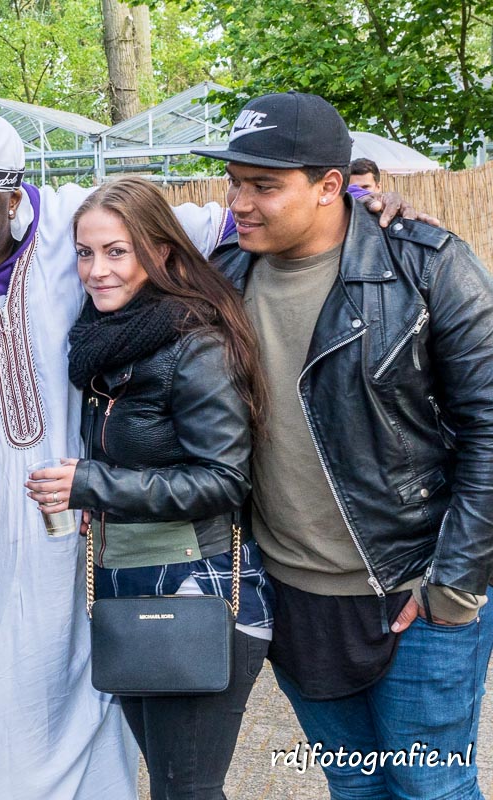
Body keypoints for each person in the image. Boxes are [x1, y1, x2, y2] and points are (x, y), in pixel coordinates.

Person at [0, 108, 432, 799]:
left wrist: (358, 199)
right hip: (65, 570)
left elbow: (255, 218)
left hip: (179, 586)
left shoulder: (176, 330)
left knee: (182, 782)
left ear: (15, 200)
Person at [193, 91, 493, 799]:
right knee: (354, 787)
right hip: (291, 602)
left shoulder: (428, 266)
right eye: (234, 182)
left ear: (330, 186)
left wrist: (453, 585)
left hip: (412, 593)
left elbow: (488, 428)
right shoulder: (223, 279)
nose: (240, 202)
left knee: (430, 789)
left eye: (264, 186)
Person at [27, 176, 273, 798]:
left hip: (197, 588)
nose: (97, 270)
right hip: (132, 586)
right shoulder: (106, 341)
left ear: (161, 251)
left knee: (186, 789)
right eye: (85, 253)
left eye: (118, 252)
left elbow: (224, 479)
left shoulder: (196, 343)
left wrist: (93, 484)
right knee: (171, 786)